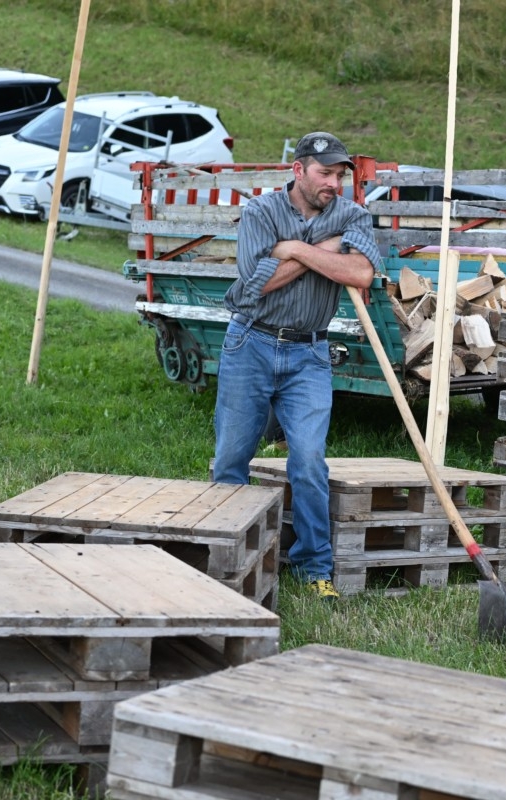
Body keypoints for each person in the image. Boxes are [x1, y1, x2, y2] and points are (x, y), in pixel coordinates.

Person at [212, 131, 381, 600]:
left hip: (310, 352)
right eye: (325, 173)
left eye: (340, 175)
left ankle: (314, 568)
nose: (334, 184)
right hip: (251, 342)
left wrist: (295, 250)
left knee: (308, 461)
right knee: (232, 457)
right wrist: (328, 251)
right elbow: (254, 284)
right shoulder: (260, 212)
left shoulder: (352, 215)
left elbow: (361, 273)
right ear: (298, 170)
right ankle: (229, 560)